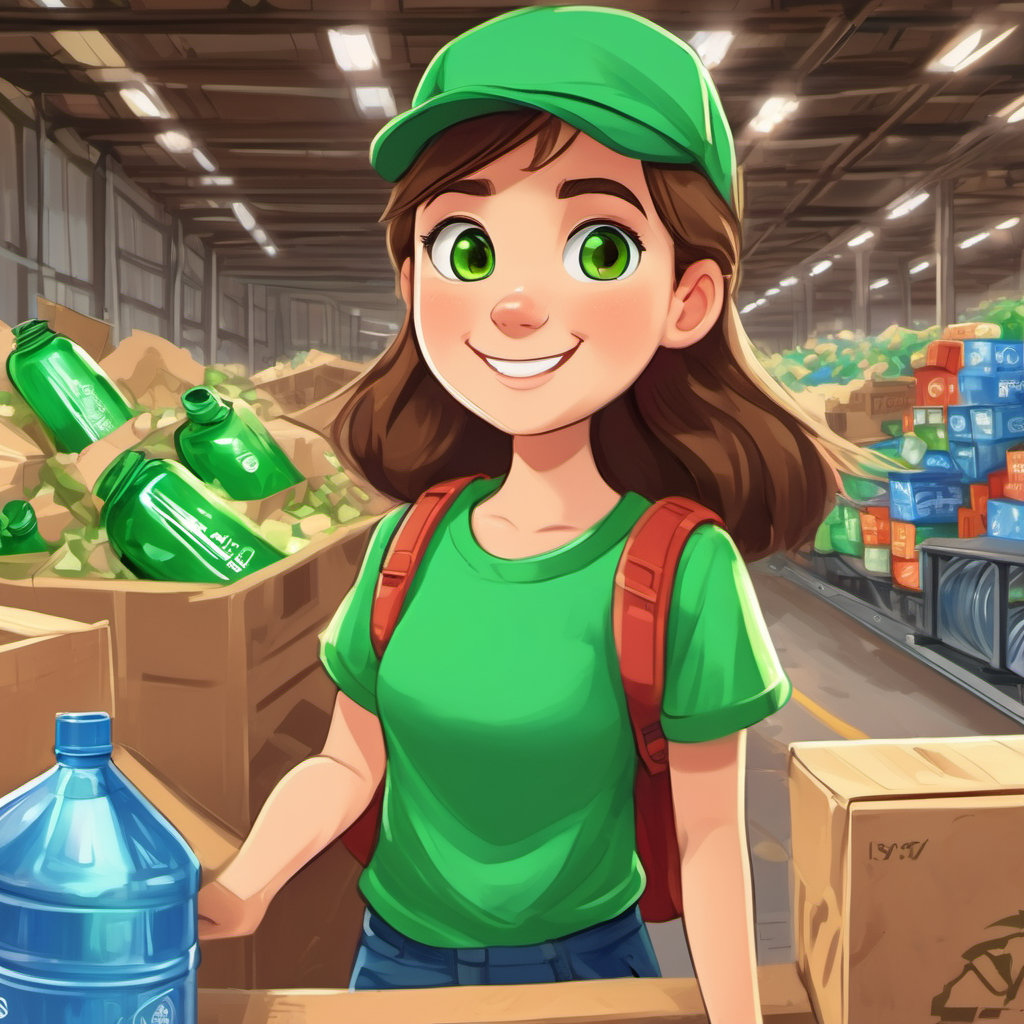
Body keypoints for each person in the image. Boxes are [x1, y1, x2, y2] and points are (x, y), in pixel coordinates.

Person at [196, 7, 886, 1021]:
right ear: (412, 281)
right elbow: (351, 759)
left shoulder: (681, 570)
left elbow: (707, 838)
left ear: (687, 298)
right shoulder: (406, 546)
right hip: (393, 970)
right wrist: (244, 887)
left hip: (583, 979)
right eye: (465, 248)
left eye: (597, 247)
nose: (513, 304)